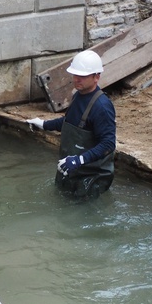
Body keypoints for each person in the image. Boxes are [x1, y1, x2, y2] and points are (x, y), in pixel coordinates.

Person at [27, 50, 116, 198]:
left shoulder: (102, 107)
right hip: (72, 168)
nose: (77, 79)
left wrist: (78, 160)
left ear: (96, 77)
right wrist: (43, 124)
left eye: (82, 76)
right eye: (75, 75)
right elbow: (69, 123)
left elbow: (108, 144)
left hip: (92, 176)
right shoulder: (77, 96)